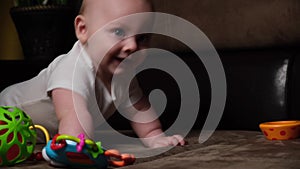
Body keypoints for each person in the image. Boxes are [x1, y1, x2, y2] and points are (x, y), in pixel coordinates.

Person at [0, 0, 185, 148]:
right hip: (6, 112)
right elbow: (73, 115)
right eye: (119, 31)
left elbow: (139, 109)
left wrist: (154, 136)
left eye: (142, 38)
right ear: (83, 30)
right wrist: (78, 147)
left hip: (35, 135)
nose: (133, 46)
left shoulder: (123, 73)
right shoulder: (73, 69)